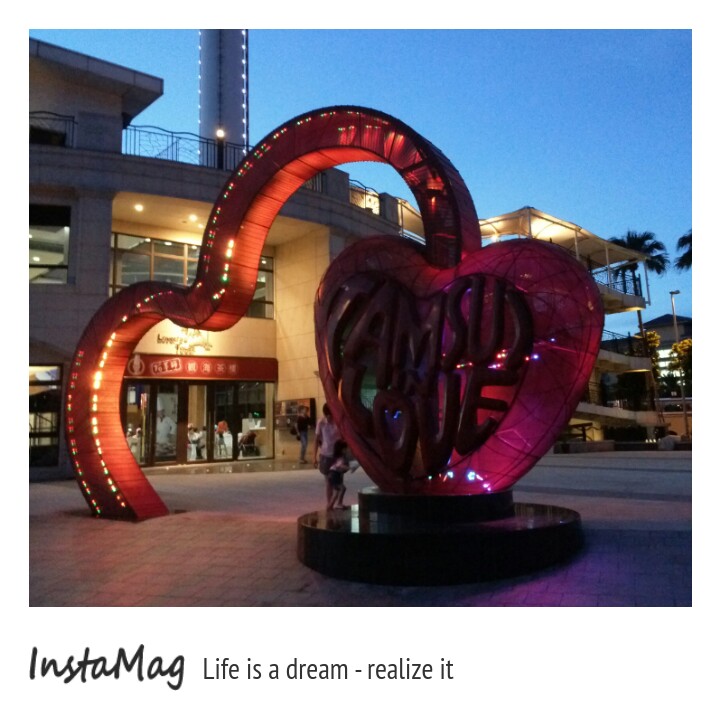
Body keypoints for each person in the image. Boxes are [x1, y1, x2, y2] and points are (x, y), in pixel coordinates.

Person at [313, 403, 342, 508]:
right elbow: (316, 440)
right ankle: (329, 503)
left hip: (338, 455)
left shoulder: (338, 421)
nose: (330, 418)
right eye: (328, 416)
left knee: (339, 481)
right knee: (329, 481)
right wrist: (314, 457)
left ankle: (339, 502)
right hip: (325, 454)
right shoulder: (321, 422)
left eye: (331, 415)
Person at [326, 440, 350, 509]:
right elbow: (339, 465)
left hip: (332, 474)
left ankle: (330, 506)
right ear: (342, 450)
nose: (347, 450)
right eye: (345, 449)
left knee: (336, 491)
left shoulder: (336, 457)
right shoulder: (341, 458)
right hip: (335, 474)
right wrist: (349, 467)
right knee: (342, 488)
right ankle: (339, 503)